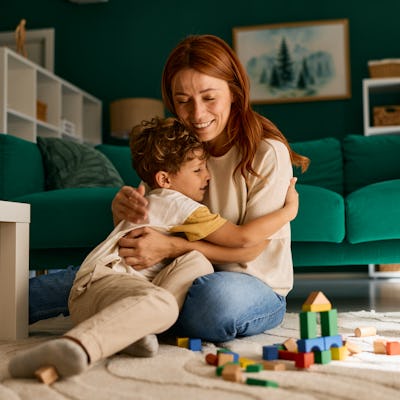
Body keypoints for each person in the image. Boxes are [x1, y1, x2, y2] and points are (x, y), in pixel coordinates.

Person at [28, 34, 309, 341]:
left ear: (235, 92)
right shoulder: (174, 150)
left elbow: (250, 247)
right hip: (171, 273)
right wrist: (122, 210)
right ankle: (141, 318)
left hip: (247, 282)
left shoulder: (266, 152)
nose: (197, 114)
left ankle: (133, 318)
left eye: (209, 97)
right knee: (82, 282)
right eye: (183, 101)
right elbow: (152, 226)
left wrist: (177, 247)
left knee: (212, 303)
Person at [9, 116, 298, 381]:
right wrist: (289, 211)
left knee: (194, 261)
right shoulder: (178, 204)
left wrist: (176, 246)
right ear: (164, 179)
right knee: (162, 303)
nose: (207, 177)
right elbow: (239, 239)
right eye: (198, 170)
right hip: (105, 283)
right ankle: (76, 347)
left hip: (113, 283)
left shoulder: (162, 198)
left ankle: (137, 329)